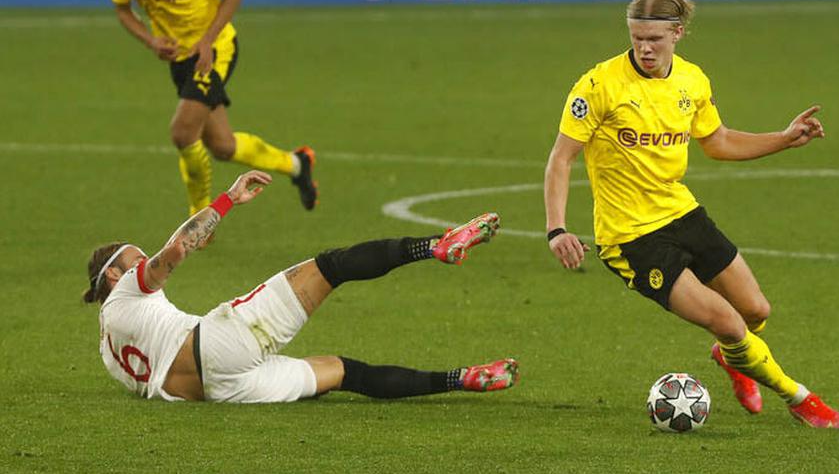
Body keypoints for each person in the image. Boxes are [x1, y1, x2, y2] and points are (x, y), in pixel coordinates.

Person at [543, 0, 839, 428]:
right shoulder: (599, 86)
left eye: (655, 39)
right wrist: (557, 228)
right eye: (637, 38)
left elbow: (718, 141)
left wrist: (783, 139)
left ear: (678, 33)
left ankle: (732, 359)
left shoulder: (692, 81)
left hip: (681, 212)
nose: (645, 49)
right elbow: (561, 157)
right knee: (727, 321)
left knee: (755, 312)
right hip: (631, 238)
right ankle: (800, 398)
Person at [83, 170, 517, 403]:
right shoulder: (127, 291)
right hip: (217, 345)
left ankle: (463, 379)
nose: (144, 263)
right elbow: (177, 249)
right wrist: (228, 198)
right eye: (134, 260)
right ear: (116, 276)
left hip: (219, 391)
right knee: (332, 266)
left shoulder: (107, 353)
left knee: (345, 372)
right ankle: (436, 247)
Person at [104, 0, 318, 219]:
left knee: (182, 132)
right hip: (178, 58)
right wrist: (150, 41)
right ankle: (295, 164)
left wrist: (207, 40)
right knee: (222, 145)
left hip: (214, 49)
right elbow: (122, 10)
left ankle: (200, 215)